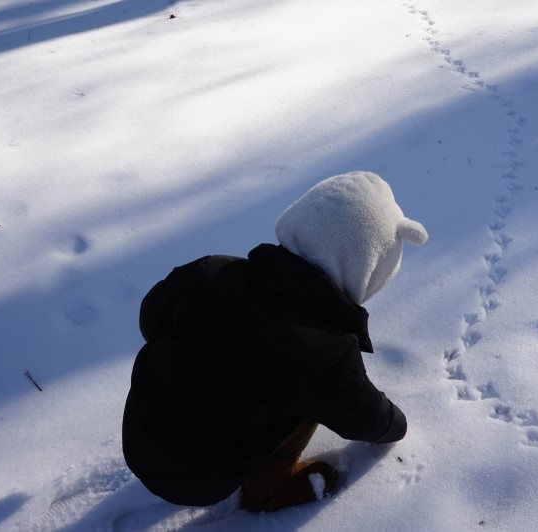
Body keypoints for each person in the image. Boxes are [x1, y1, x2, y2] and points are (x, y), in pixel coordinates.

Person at [122, 171, 428, 512]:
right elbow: (362, 415)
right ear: (368, 270)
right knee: (311, 396)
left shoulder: (212, 271)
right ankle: (266, 489)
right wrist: (396, 425)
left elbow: (151, 319)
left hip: (139, 435)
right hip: (198, 481)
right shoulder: (328, 354)